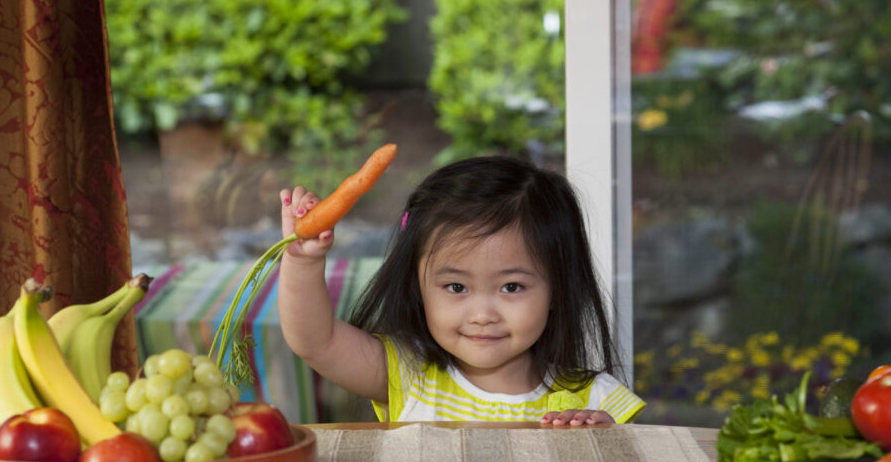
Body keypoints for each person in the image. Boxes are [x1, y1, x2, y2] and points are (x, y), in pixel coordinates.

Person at [276, 155, 644, 425]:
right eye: (456, 287)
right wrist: (302, 262)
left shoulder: (596, 399)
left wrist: (603, 442)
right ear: (418, 287)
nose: (483, 314)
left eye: (511, 287)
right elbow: (315, 341)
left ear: (558, 290)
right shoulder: (409, 375)